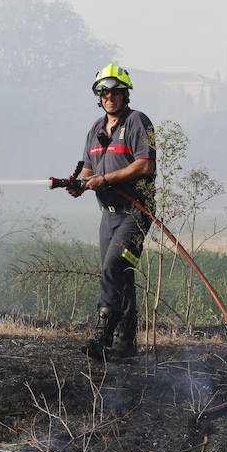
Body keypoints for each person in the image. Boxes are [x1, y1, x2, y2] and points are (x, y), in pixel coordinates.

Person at [67, 64, 156, 358]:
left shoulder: (138, 122)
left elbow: (145, 165)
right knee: (122, 273)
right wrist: (78, 185)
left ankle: (102, 336)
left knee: (113, 267)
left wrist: (105, 180)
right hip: (108, 215)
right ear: (99, 97)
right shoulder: (95, 129)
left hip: (135, 212)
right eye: (104, 93)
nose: (109, 97)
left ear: (125, 94)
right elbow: (88, 170)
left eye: (115, 92)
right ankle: (125, 343)